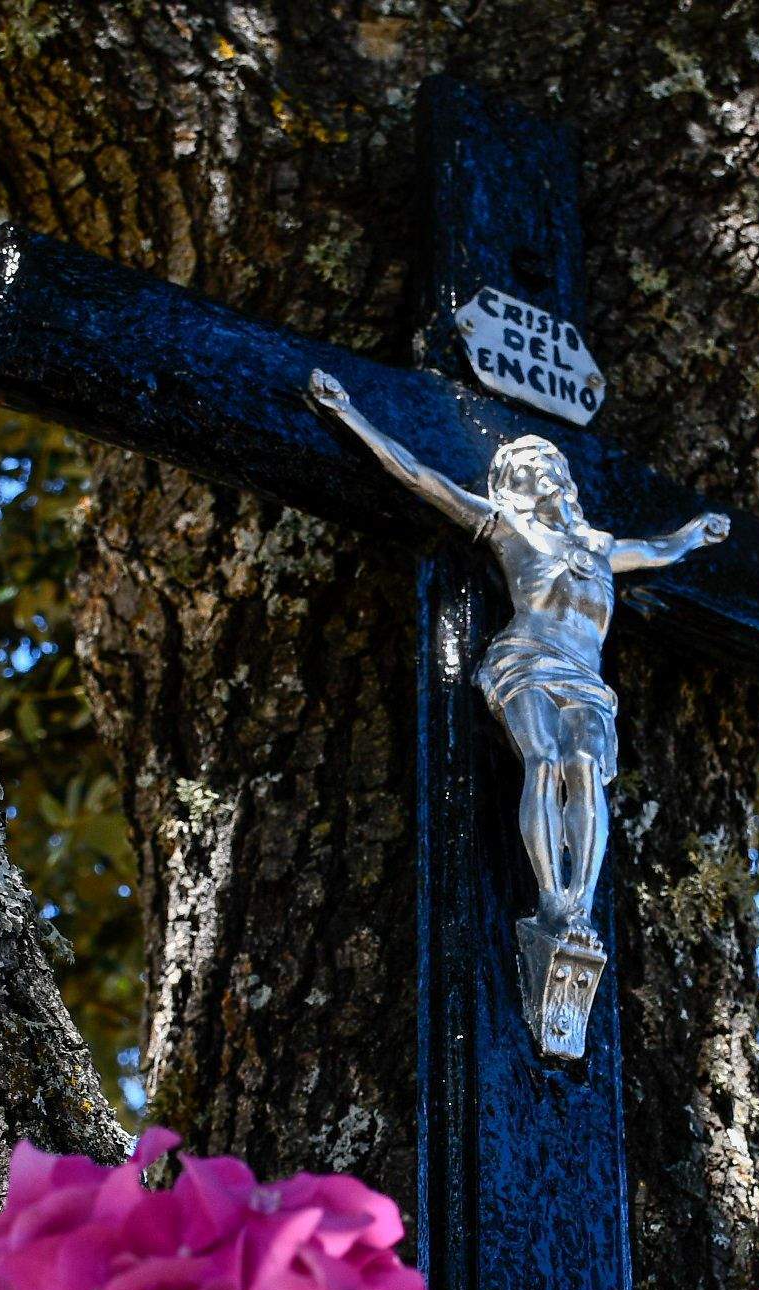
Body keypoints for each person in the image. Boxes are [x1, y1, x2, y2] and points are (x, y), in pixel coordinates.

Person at [308, 368, 729, 944]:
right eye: (530, 470)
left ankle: (577, 905)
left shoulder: (600, 547)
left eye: (551, 466)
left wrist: (694, 533)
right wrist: (348, 413)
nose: (545, 473)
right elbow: (420, 477)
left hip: (585, 675)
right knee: (546, 757)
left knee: (585, 768)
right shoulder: (507, 527)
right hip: (527, 658)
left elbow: (658, 550)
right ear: (514, 486)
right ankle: (551, 896)